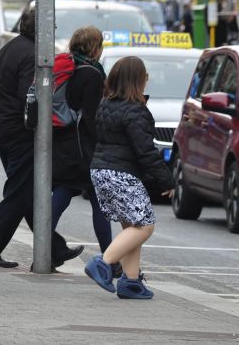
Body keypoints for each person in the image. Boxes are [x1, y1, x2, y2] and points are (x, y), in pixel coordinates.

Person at [0, 3, 82, 269]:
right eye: (52, 27)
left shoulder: (9, 48)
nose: (55, 31)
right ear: (43, 30)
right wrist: (41, 129)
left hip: (3, 129)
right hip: (19, 132)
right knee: (19, 194)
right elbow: (31, 96)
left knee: (28, 192)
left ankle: (54, 248)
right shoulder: (34, 54)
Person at [84, 55, 174, 299]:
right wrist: (166, 181)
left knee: (131, 226)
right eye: (145, 77)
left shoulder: (105, 105)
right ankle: (103, 262)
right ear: (138, 80)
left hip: (101, 171)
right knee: (144, 225)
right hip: (121, 174)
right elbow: (145, 151)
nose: (147, 81)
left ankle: (130, 282)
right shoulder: (136, 111)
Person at [50, 26, 112, 260]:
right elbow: (91, 116)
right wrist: (102, 144)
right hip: (84, 147)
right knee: (99, 202)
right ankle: (110, 259)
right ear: (95, 48)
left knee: (64, 191)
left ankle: (44, 249)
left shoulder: (69, 67)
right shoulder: (92, 74)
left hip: (65, 142)